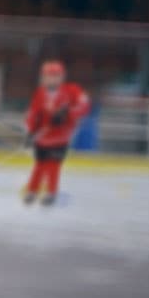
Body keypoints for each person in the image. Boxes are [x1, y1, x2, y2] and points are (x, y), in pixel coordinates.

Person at [22, 60, 92, 206]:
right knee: (40, 164)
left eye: (55, 76)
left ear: (62, 77)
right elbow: (33, 114)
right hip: (43, 137)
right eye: (48, 76)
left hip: (61, 137)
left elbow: (84, 105)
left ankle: (51, 192)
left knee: (53, 164)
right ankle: (32, 191)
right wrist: (31, 132)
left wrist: (67, 113)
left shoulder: (72, 90)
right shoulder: (40, 93)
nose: (51, 79)